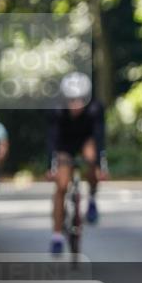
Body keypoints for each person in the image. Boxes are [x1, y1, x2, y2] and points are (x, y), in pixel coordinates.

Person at [47, 72, 108, 255]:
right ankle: (57, 236)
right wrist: (50, 166)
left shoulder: (96, 109)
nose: (76, 104)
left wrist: (99, 165)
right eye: (71, 100)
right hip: (64, 144)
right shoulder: (57, 111)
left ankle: (91, 199)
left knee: (91, 158)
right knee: (61, 186)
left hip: (85, 141)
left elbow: (99, 138)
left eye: (80, 100)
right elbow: (51, 140)